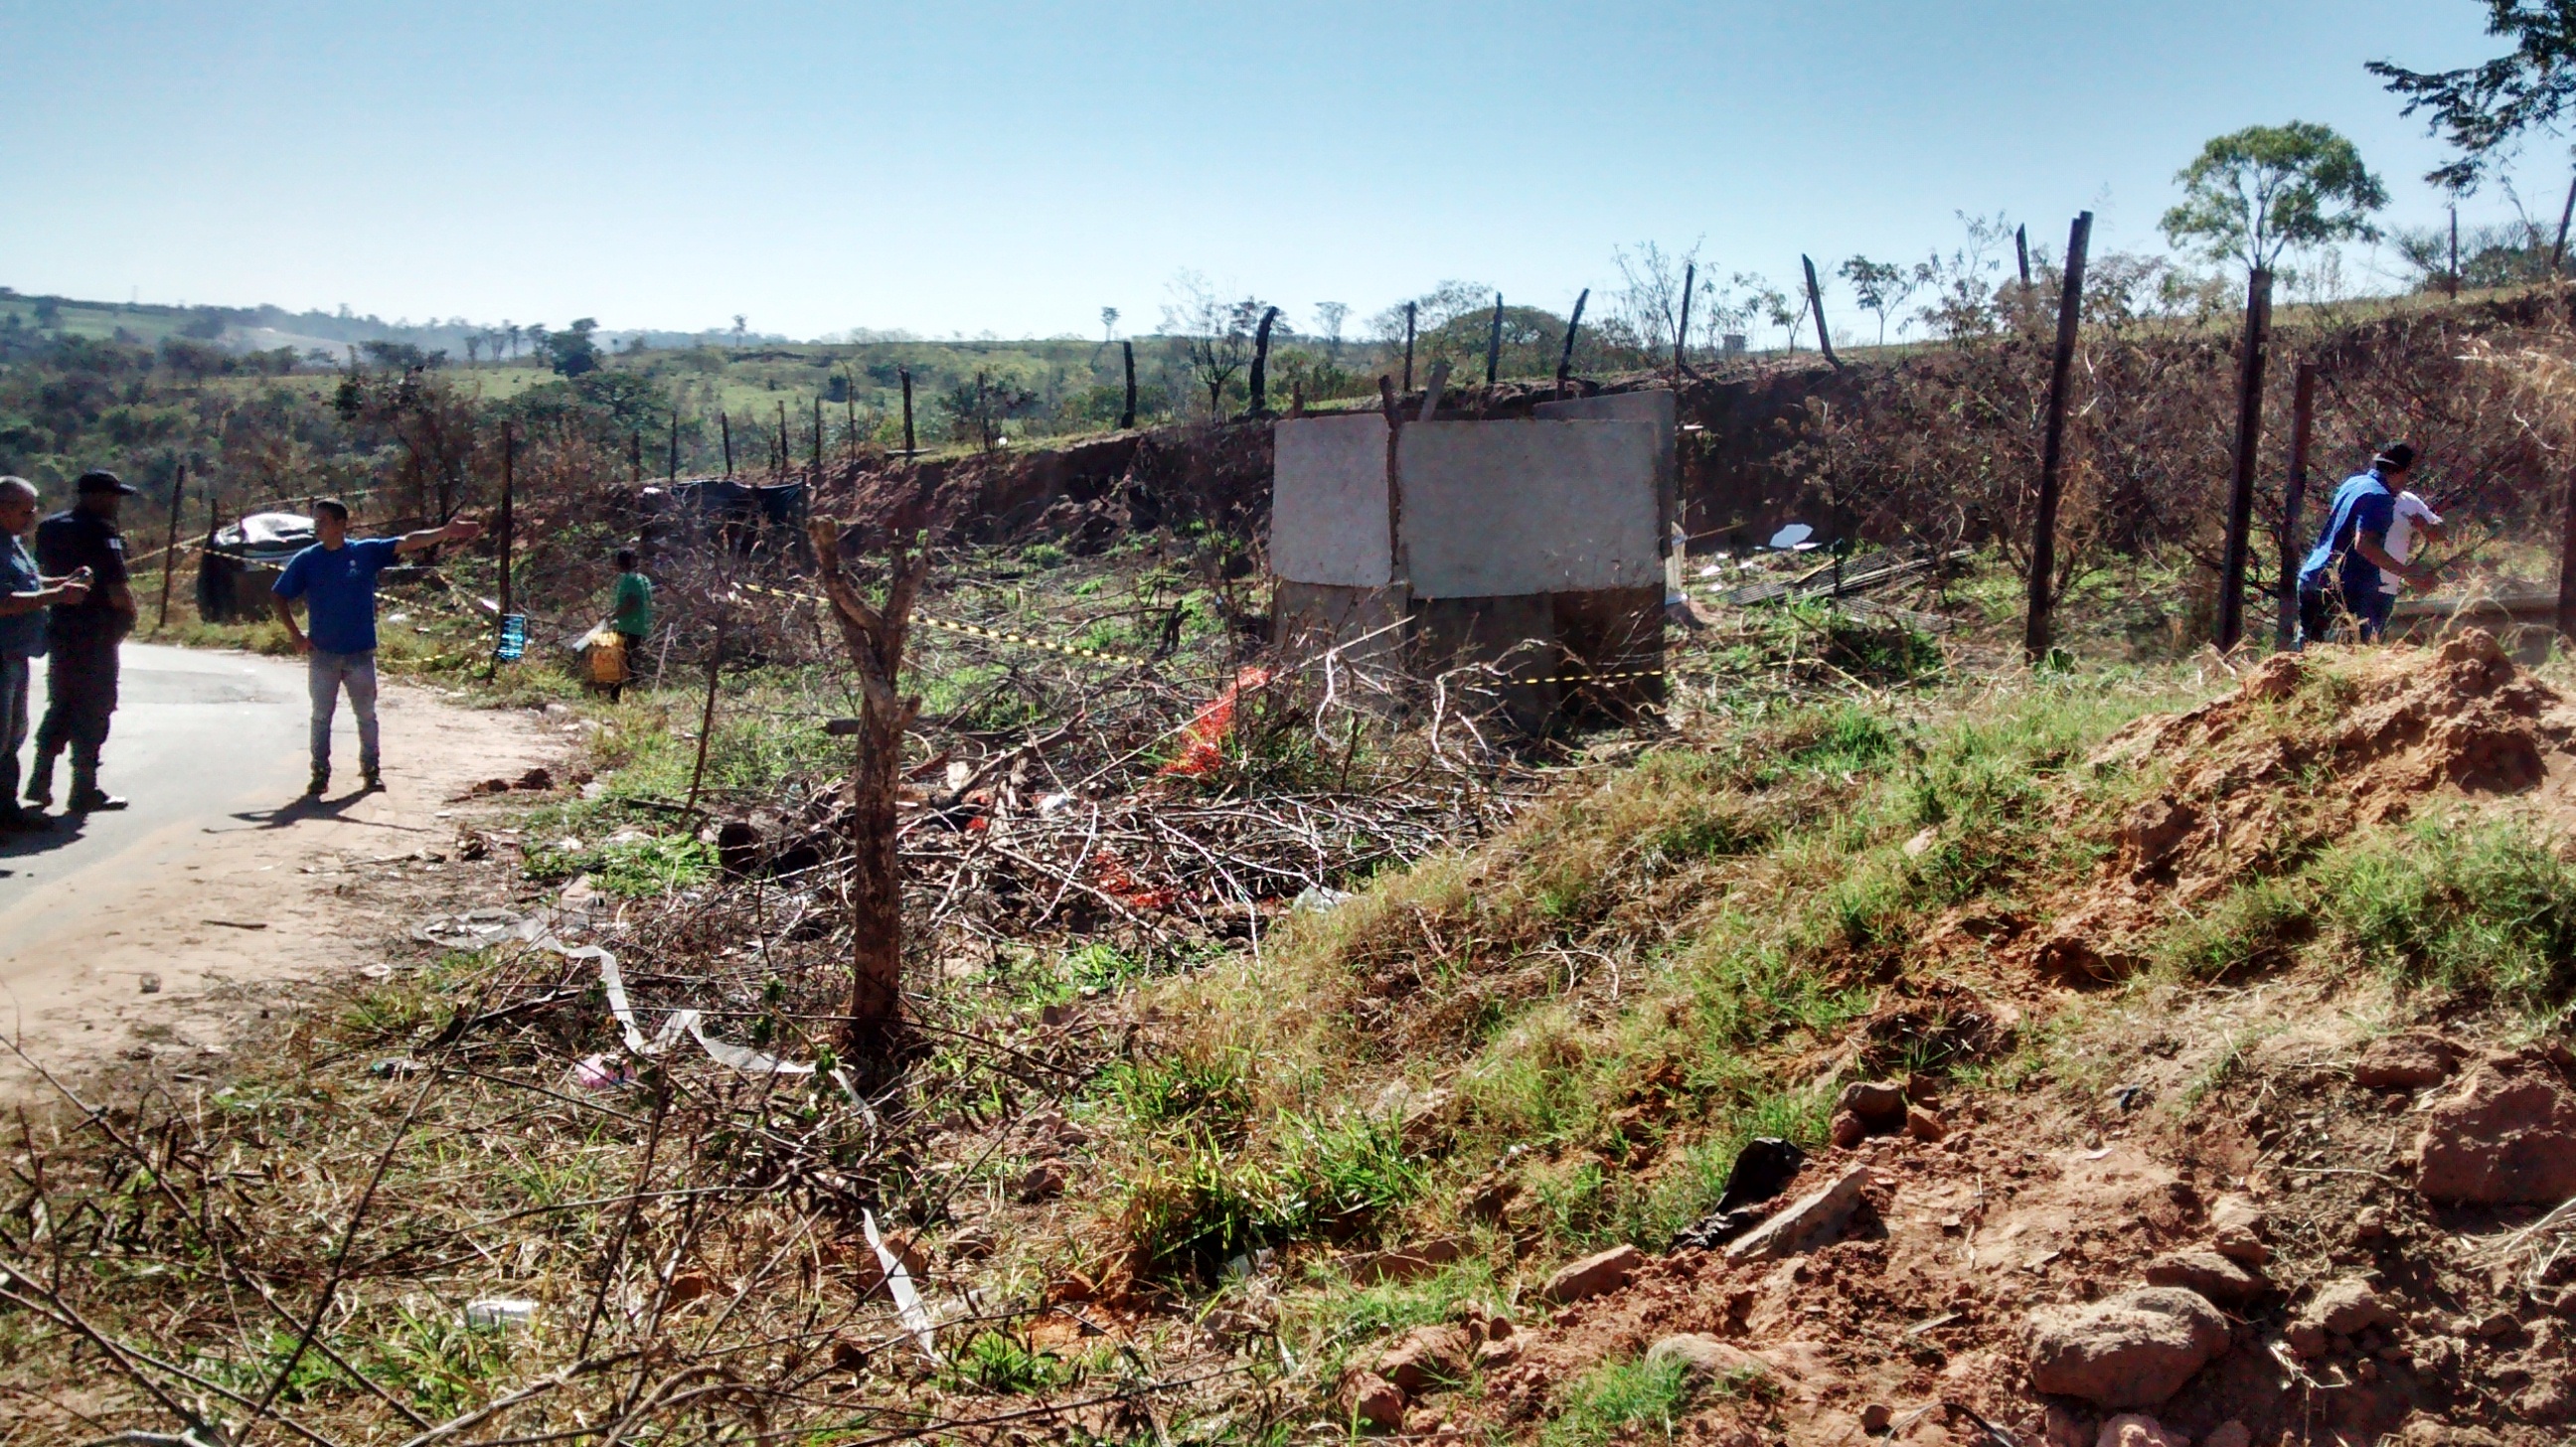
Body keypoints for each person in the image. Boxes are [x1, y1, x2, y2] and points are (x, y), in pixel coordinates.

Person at [270, 500, 483, 795]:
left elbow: (407, 541)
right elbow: (279, 595)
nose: (317, 527)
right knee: (321, 716)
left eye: (323, 521)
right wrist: (295, 634)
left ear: (341, 524)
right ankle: (320, 773)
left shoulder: (364, 552)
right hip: (323, 654)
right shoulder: (307, 560)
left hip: (360, 653)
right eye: (315, 521)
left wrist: (444, 532)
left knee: (366, 716)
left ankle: (371, 772)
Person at [29, 470, 139, 813]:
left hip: (61, 626)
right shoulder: (101, 530)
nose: (116, 503)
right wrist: (129, 616)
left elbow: (39, 571)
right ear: (96, 496)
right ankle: (83, 787)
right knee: (96, 706)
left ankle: (40, 777)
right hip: (96, 630)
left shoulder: (50, 527)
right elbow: (116, 585)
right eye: (112, 496)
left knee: (62, 701)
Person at [0, 478, 89, 829]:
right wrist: (57, 596)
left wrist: (63, 582)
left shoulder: (13, 544)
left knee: (12, 736)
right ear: (3, 509)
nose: (32, 517)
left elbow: (30, 584)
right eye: (26, 511)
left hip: (16, 654)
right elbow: (4, 601)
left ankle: (7, 811)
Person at [2296, 444, 2436, 647]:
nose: (2405, 482)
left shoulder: (2353, 483)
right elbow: (2365, 545)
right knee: (2351, 652)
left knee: (2306, 651)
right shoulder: (2380, 497)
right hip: (2344, 588)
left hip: (2313, 576)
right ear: (2398, 472)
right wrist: (2407, 573)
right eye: (2407, 475)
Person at [2380, 487, 2446, 605]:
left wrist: (2426, 527)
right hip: (2364, 584)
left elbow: (2440, 535)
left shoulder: (2408, 500)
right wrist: (2407, 574)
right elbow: (2365, 546)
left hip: (2391, 587)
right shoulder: (2368, 498)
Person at [607, 548, 652, 704]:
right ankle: (634, 686)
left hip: (627, 626)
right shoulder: (643, 579)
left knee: (618, 660)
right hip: (639, 626)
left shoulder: (629, 580)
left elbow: (630, 603)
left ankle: (617, 696)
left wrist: (614, 615)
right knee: (626, 658)